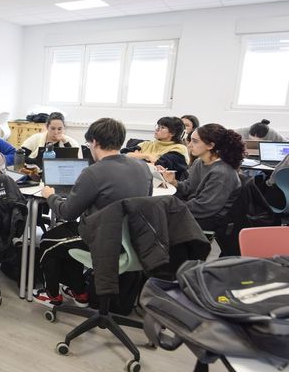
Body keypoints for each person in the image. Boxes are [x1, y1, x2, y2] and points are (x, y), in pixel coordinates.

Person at [36, 118, 153, 305]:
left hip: (103, 240)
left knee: (49, 242)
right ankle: (79, 292)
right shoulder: (143, 167)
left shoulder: (93, 172)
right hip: (133, 238)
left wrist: (50, 195)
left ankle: (52, 296)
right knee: (68, 236)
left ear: (95, 142)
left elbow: (66, 214)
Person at [160, 124, 244, 231]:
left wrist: (170, 207)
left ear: (210, 145)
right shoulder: (199, 162)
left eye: (195, 141)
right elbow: (189, 187)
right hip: (195, 210)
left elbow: (204, 207)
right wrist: (174, 182)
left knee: (156, 217)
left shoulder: (222, 173)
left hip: (208, 219)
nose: (189, 145)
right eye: (190, 140)